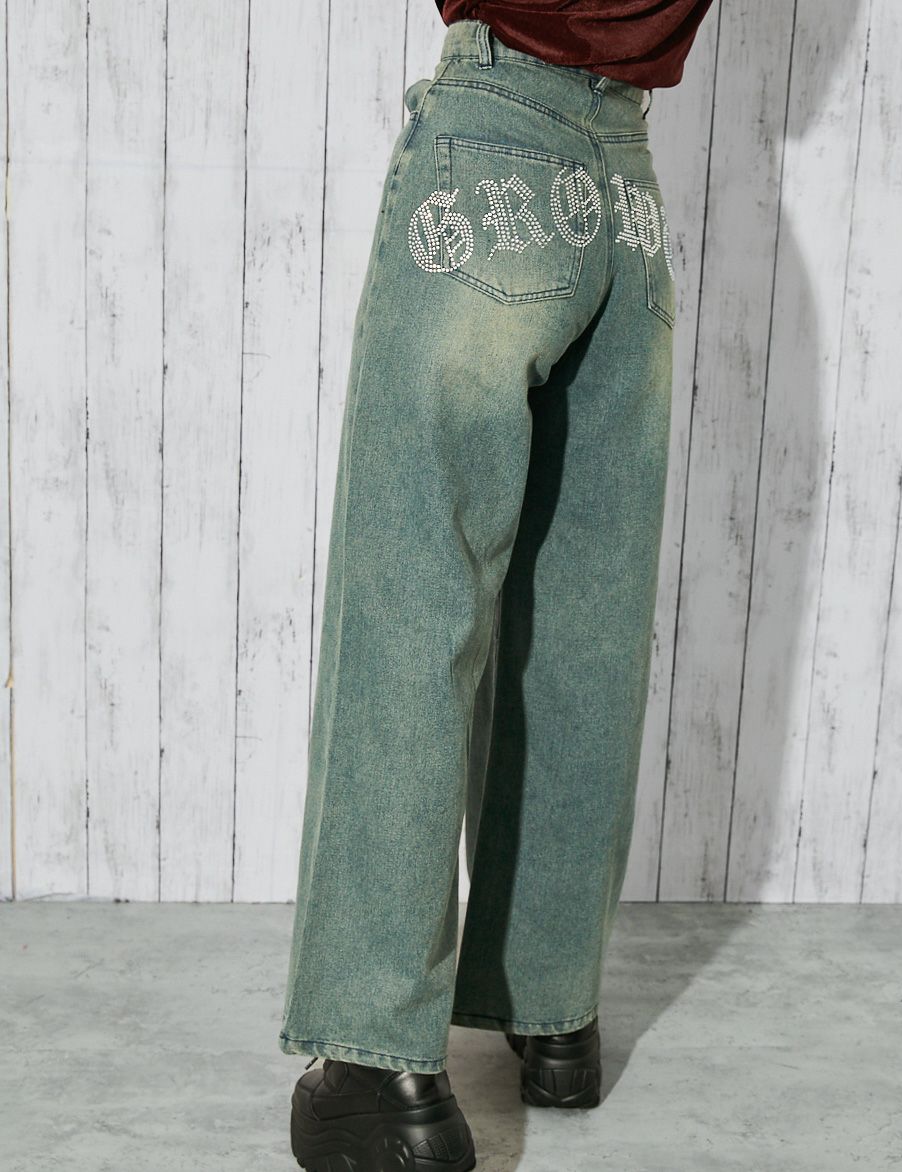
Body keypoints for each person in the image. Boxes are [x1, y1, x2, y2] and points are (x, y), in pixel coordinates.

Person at [279, 4, 714, 1169]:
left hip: (492, 148)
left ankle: (375, 1062)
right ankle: (551, 1008)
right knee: (582, 625)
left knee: (413, 601)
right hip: (623, 185)